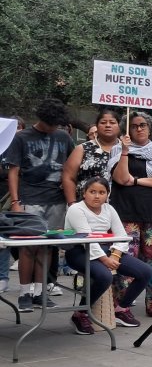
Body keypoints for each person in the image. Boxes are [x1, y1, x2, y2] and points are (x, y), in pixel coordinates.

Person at [4, 98, 74, 312]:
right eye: (51, 124)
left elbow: (71, 167)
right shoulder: (21, 137)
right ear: (41, 119)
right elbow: (13, 171)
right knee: (28, 248)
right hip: (29, 199)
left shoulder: (63, 136)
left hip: (56, 200)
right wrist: (15, 202)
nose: (54, 128)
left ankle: (40, 292)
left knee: (47, 247)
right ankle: (24, 293)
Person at [63, 176, 152, 334]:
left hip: (107, 250)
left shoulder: (109, 209)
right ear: (84, 193)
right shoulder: (76, 209)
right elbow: (87, 238)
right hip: (79, 251)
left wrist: (115, 256)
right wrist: (105, 259)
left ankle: (121, 309)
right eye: (92, 192)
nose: (97, 196)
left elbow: (122, 235)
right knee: (105, 276)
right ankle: (80, 313)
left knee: (145, 272)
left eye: (101, 192)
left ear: (107, 195)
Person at [110, 112, 152, 318]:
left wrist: (136, 181)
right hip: (126, 212)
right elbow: (120, 179)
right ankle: (122, 306)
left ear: (150, 127)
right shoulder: (118, 150)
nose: (139, 128)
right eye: (135, 125)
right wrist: (125, 151)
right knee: (126, 262)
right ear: (127, 129)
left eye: (143, 125)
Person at [62, 109, 122, 202]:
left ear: (119, 126)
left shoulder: (128, 150)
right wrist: (72, 203)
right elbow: (68, 177)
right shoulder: (83, 148)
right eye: (103, 122)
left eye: (112, 122)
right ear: (97, 126)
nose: (108, 125)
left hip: (120, 206)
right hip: (85, 206)